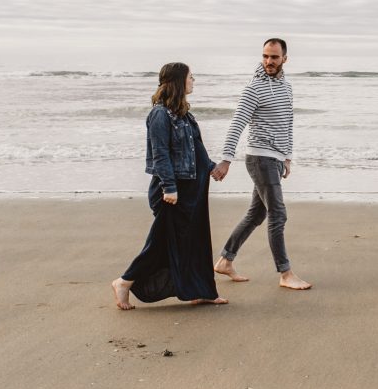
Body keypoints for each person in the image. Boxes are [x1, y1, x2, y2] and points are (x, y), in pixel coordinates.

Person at [112, 62, 228, 310]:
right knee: (162, 242)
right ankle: (124, 282)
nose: (193, 80)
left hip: (193, 187)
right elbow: (160, 154)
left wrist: (212, 167)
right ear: (178, 81)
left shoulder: (184, 114)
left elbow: (196, 147)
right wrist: (169, 187)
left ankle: (203, 290)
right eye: (190, 77)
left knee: (195, 241)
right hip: (172, 191)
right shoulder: (160, 114)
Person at [210, 38, 311, 290]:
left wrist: (287, 156)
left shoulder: (287, 88)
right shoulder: (254, 88)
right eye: (265, 56)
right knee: (278, 213)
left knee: (257, 213)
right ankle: (286, 273)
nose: (269, 61)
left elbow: (287, 123)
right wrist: (226, 159)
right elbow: (237, 123)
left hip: (275, 159)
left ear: (284, 59)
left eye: (274, 57)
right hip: (260, 158)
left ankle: (225, 260)